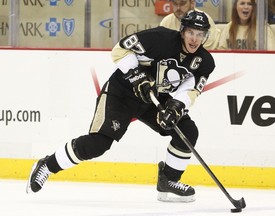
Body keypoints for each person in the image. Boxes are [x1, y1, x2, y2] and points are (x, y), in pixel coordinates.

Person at [26, 11, 215, 202]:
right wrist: (137, 76)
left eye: (200, 34)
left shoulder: (205, 62)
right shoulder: (159, 38)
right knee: (98, 144)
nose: (195, 39)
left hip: (153, 97)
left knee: (187, 130)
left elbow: (190, 89)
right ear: (182, 31)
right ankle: (47, 165)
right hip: (122, 92)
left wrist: (175, 106)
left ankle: (168, 180)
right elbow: (120, 49)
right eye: (191, 32)